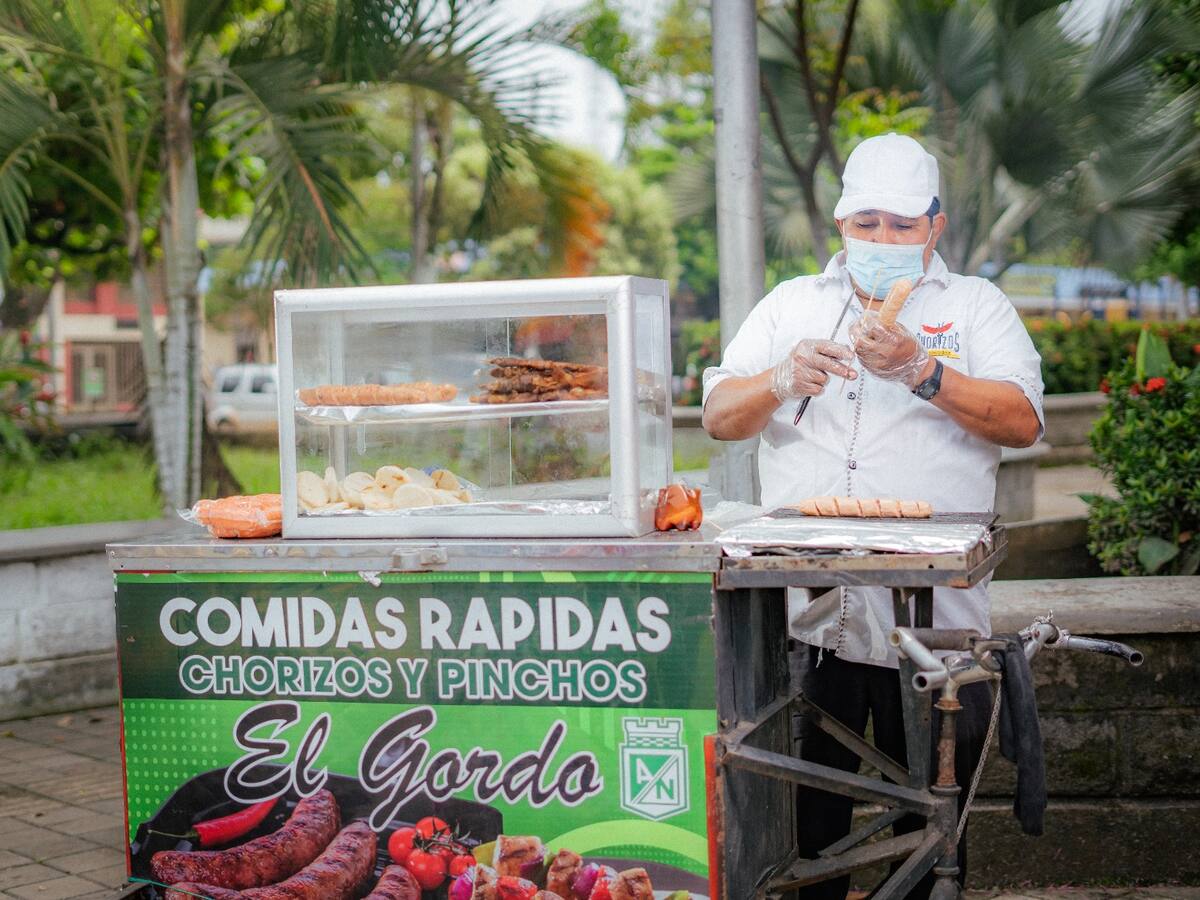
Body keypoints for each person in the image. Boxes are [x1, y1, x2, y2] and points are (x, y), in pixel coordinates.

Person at [701, 133, 1044, 898]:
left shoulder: (974, 307)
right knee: (804, 824)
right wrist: (781, 377)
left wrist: (925, 372)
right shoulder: (792, 304)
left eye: (901, 225)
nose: (883, 240)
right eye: (867, 224)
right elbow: (720, 415)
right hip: (808, 622)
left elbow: (1021, 421)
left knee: (928, 824)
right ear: (840, 226)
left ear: (935, 227)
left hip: (936, 626)